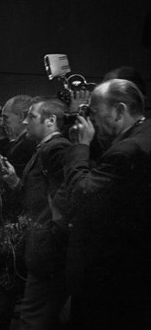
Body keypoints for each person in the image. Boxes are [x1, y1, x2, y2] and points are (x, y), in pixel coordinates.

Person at [65, 79, 151, 329]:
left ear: (119, 111)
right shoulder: (143, 136)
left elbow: (80, 198)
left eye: (94, 112)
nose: (92, 121)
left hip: (115, 281)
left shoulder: (128, 151)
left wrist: (80, 146)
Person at [0, 99, 72, 329]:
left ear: (50, 121)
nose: (24, 121)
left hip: (47, 248)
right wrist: (13, 180)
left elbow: (62, 205)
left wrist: (47, 241)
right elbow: (35, 196)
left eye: (31, 117)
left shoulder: (56, 149)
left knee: (33, 318)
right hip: (42, 244)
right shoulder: (44, 148)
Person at [0, 95, 37, 330]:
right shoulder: (16, 143)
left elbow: (20, 188)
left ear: (24, 118)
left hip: (12, 227)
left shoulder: (28, 146)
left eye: (6, 117)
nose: (2, 122)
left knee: (3, 288)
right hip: (8, 223)